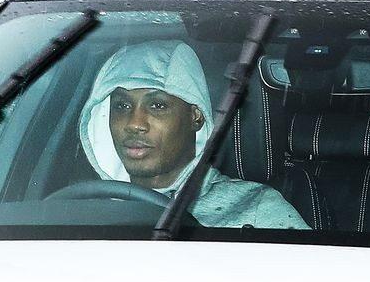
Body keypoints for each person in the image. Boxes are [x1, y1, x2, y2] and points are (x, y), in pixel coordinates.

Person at [77, 40, 308, 230]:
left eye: (157, 105)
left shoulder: (256, 209)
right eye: (122, 106)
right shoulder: (78, 212)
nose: (135, 124)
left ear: (195, 116)